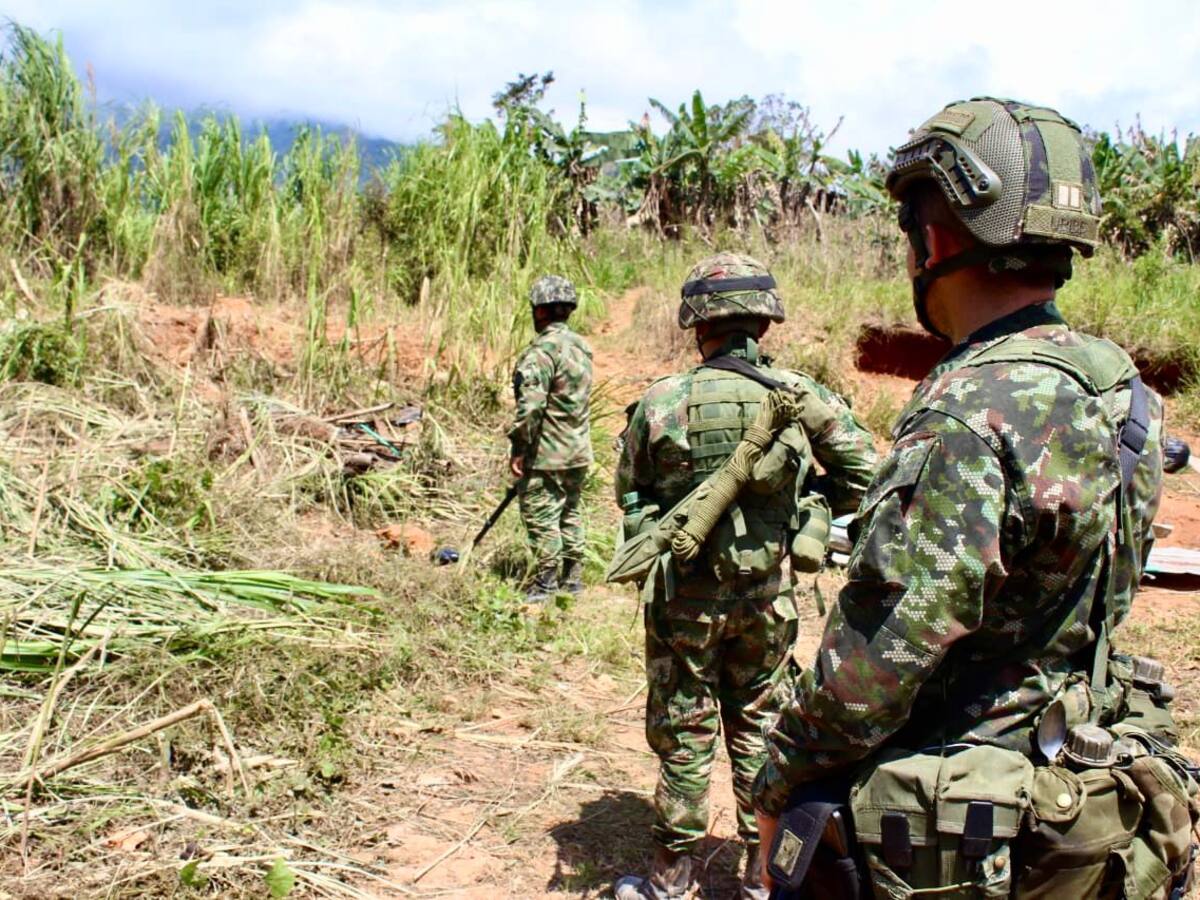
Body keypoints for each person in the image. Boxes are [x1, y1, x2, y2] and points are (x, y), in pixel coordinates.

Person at [753, 98, 1184, 897]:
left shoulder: (970, 412)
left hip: (963, 829)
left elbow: (874, 667)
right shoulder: (1118, 385)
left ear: (938, 237)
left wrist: (778, 779)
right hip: (1072, 797)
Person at [612, 253, 878, 900]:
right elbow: (867, 478)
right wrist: (811, 503)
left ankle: (670, 876)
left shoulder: (661, 401)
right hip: (766, 601)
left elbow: (632, 496)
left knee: (683, 727)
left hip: (684, 604)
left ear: (694, 321)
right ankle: (766, 877)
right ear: (764, 318)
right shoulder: (801, 397)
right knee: (760, 725)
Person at [508, 275, 593, 603]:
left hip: (547, 453)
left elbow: (531, 406)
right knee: (570, 511)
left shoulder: (541, 352)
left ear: (540, 312)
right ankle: (572, 580)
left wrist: (519, 447)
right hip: (577, 448)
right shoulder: (581, 346)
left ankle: (545, 584)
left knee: (541, 513)